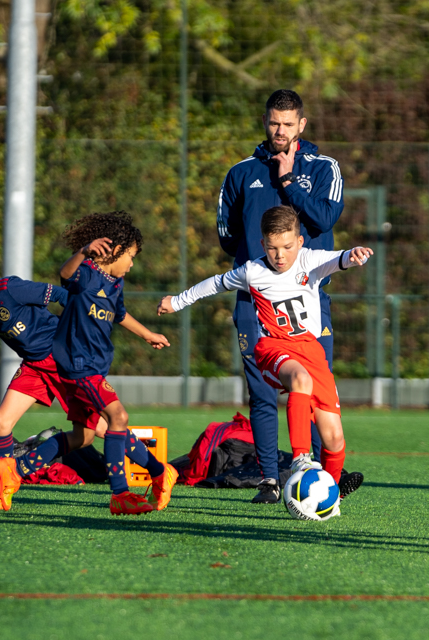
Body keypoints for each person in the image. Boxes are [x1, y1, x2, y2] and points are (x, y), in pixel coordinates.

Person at [160, 205, 371, 510]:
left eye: (286, 247)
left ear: (299, 242)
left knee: (334, 439)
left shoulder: (310, 260)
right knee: (299, 379)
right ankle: (301, 459)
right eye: (272, 248)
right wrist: (177, 301)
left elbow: (339, 258)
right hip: (273, 348)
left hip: (311, 351)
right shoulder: (253, 272)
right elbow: (216, 283)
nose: (280, 255)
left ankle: (329, 497)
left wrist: (354, 255)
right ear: (263, 246)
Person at [217, 88, 361, 504]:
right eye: (273, 122)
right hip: (254, 302)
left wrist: (286, 181)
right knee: (262, 394)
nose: (279, 130)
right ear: (265, 121)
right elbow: (227, 237)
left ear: (302, 124)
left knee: (314, 390)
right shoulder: (241, 172)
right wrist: (260, 268)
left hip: (308, 302)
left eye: (287, 123)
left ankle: (317, 475)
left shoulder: (323, 168)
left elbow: (325, 217)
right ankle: (268, 479)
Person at [0, 238, 101, 510]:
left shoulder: (11, 288)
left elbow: (61, 295)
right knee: (0, 422)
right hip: (34, 365)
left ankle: (159, 471)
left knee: (100, 429)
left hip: (63, 359)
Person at [53, 210, 178, 515]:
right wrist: (83, 251)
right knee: (118, 416)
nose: (133, 264)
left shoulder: (115, 284)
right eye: (131, 256)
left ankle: (15, 470)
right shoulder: (88, 273)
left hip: (94, 366)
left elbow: (119, 314)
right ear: (115, 252)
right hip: (79, 366)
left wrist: (147, 334)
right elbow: (66, 275)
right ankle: (121, 494)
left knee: (84, 436)